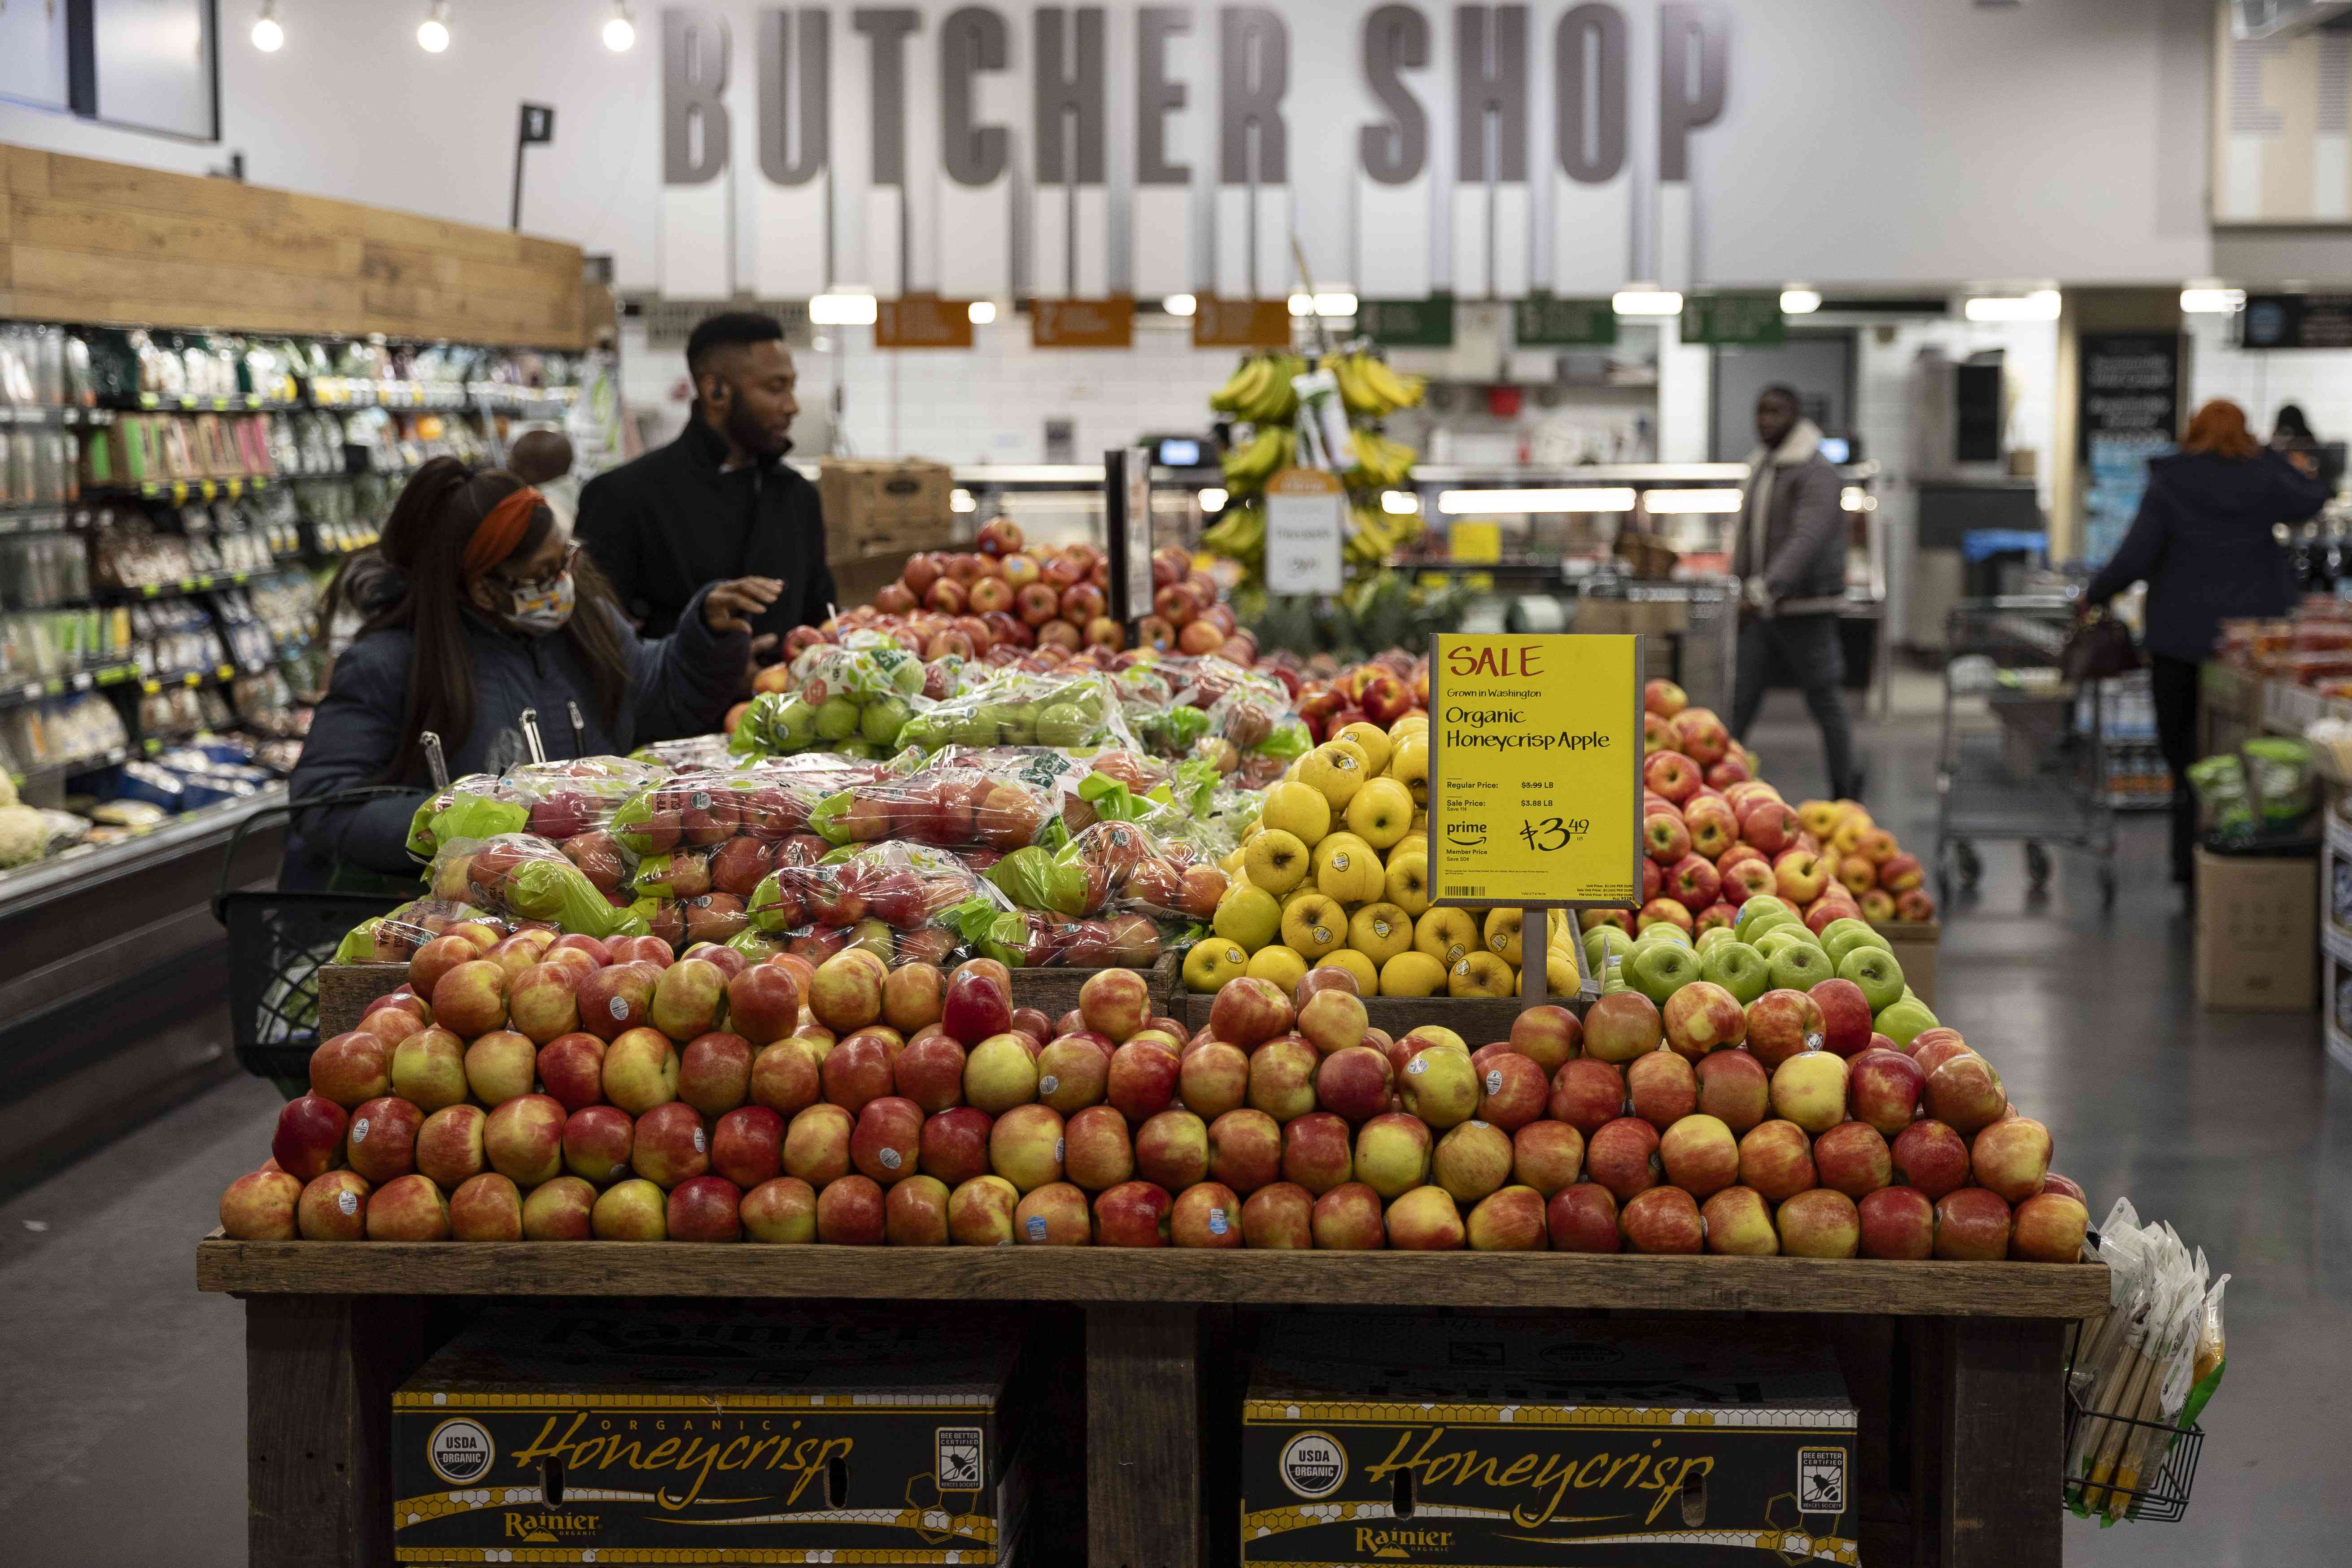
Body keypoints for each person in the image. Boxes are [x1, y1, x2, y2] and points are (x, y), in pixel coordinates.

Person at [282, 457, 779, 889]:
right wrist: (466, 820)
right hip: (453, 916)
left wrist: (707, 634)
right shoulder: (391, 664)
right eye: (542, 574)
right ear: (482, 588)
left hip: (576, 899)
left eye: (565, 558)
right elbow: (326, 805)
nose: (563, 582)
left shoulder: (583, 627)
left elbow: (658, 693)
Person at [2084, 398, 2330, 890]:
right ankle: (2245, 857)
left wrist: (2094, 595)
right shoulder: (2263, 475)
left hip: (2178, 638)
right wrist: (2271, 457)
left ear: (2191, 431)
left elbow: (2135, 555)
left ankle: (2187, 863)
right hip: (2250, 647)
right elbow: (2313, 497)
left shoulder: (2171, 481)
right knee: (2245, 752)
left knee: (2184, 758)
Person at [576, 311, 834, 643]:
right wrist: (707, 672)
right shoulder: (622, 498)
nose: (792, 406)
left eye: (792, 387)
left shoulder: (798, 498)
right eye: (775, 388)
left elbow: (824, 619)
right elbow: (596, 643)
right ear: (715, 391)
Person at [1728, 384, 1862, 800]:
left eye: (1775, 412)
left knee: (1825, 701)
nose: (1765, 420)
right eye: (1760, 411)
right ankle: (1716, 791)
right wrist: (1742, 587)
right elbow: (1749, 534)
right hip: (1760, 608)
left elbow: (1807, 537)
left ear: (1796, 415)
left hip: (1806, 608)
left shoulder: (1814, 470)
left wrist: (1766, 586)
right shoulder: (1766, 465)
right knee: (1737, 701)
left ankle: (1846, 791)